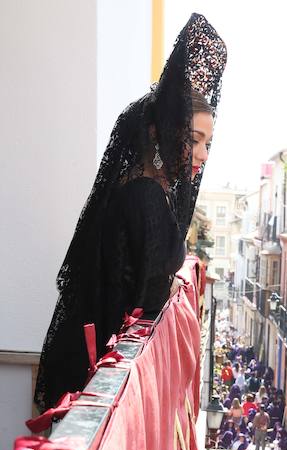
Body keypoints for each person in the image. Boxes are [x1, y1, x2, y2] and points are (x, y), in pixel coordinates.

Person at [34, 14, 227, 412]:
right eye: (195, 140)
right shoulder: (146, 198)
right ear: (161, 134)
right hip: (94, 390)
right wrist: (170, 287)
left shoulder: (144, 189)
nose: (204, 155)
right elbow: (147, 296)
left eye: (208, 142)